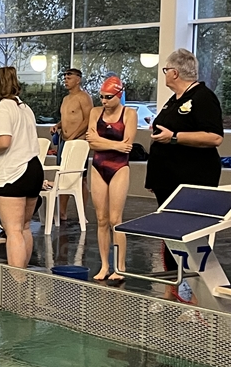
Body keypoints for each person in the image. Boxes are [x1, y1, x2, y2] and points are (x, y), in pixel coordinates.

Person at [146, 48, 224, 282]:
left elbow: (214, 137)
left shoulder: (203, 97)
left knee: (189, 233)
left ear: (175, 72)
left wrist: (174, 137)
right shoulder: (175, 99)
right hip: (167, 178)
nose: (165, 74)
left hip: (192, 177)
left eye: (166, 70)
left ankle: (194, 287)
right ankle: (173, 286)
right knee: (170, 233)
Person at [0, 67, 43, 268]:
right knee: (24, 227)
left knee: (13, 230)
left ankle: (16, 281)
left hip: (15, 173)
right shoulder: (25, 108)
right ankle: (24, 277)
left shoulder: (2, 107)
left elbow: (4, 142)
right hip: (34, 169)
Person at [86, 76, 137, 283]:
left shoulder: (129, 114)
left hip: (119, 168)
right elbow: (92, 144)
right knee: (101, 219)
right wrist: (116, 145)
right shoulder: (95, 112)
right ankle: (105, 265)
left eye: (108, 97)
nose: (104, 101)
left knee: (116, 220)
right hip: (98, 166)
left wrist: (100, 141)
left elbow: (128, 145)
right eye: (101, 97)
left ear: (119, 95)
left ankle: (120, 266)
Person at [51, 68, 92, 220]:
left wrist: (74, 137)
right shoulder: (66, 99)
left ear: (78, 79)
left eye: (69, 78)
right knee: (62, 176)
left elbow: (88, 119)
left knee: (80, 177)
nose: (66, 81)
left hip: (78, 142)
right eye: (65, 78)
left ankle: (82, 213)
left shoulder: (84, 97)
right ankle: (62, 212)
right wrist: (58, 125)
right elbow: (67, 118)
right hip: (64, 140)